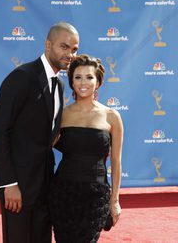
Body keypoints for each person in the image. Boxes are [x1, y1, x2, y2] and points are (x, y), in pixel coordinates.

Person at [0, 22, 79, 243]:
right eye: (64, 47)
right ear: (48, 45)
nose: (70, 54)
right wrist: (9, 184)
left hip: (44, 183)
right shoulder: (22, 77)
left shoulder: (60, 84)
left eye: (74, 49)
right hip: (17, 186)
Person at [49, 54, 123, 242]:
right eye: (78, 77)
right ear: (72, 82)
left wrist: (114, 200)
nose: (84, 82)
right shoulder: (61, 115)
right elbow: (44, 147)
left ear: (98, 82)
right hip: (63, 192)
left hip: (95, 194)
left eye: (89, 77)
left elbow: (116, 161)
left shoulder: (111, 116)